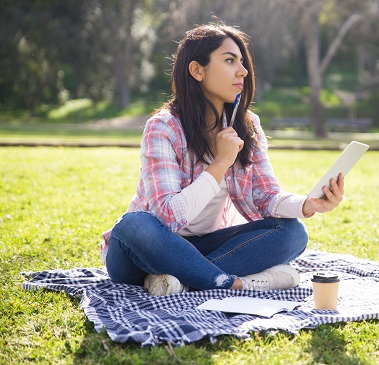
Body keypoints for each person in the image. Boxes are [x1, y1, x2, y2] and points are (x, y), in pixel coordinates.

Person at [101, 22, 345, 296]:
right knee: (134, 225)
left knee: (293, 231)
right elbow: (166, 216)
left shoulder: (248, 125)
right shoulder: (164, 127)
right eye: (230, 60)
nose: (243, 71)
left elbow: (265, 196)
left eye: (242, 62)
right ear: (197, 70)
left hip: (207, 246)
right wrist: (220, 163)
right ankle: (233, 282)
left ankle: (184, 280)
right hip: (149, 249)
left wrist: (309, 204)